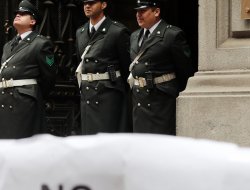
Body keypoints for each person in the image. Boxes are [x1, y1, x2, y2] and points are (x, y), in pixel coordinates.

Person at [0, 0, 57, 139]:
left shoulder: (41, 44)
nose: (18, 15)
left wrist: (33, 95)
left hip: (25, 105)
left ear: (32, 21)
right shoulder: (8, 46)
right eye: (17, 13)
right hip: (6, 102)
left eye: (23, 13)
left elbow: (50, 75)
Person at [128, 0, 194, 135]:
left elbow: (185, 71)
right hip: (139, 101)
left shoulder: (172, 34)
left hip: (161, 102)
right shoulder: (134, 36)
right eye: (137, 11)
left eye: (143, 11)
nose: (138, 15)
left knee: (160, 146)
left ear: (156, 12)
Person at [75, 0, 131, 134]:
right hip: (88, 96)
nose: (87, 6)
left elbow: (127, 68)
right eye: (85, 3)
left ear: (104, 5)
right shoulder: (80, 32)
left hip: (108, 97)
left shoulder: (117, 31)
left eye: (92, 2)